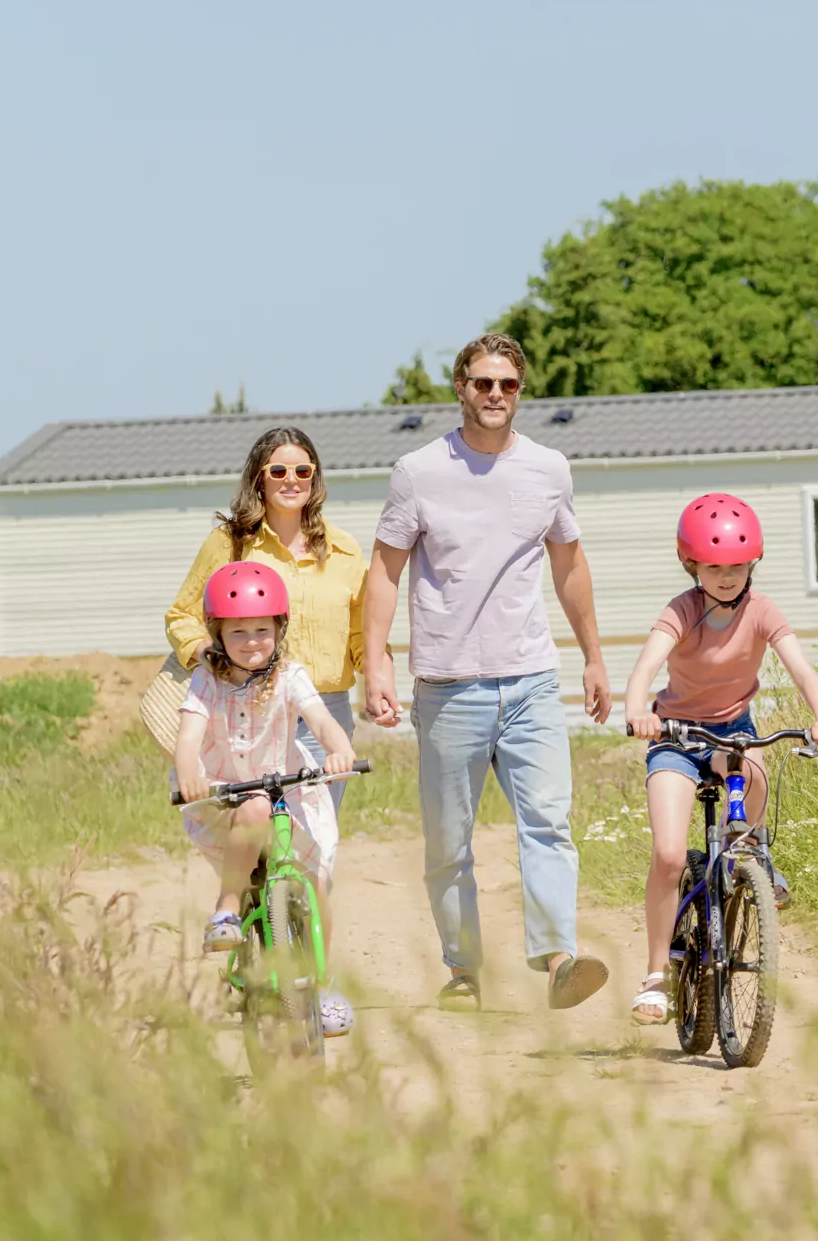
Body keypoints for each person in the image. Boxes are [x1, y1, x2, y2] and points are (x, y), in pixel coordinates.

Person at [361, 332, 613, 1010]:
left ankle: (559, 956)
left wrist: (591, 654)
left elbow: (569, 564)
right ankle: (463, 970)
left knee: (549, 823)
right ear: (461, 388)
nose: (495, 395)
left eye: (507, 384)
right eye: (482, 383)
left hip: (530, 678)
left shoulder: (549, 469)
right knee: (449, 844)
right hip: (448, 685)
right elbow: (384, 572)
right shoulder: (419, 471)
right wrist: (375, 662)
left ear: (520, 391)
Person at [621, 494, 818, 1027]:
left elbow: (803, 670)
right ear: (691, 564)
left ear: (752, 564)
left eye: (738, 566)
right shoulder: (682, 611)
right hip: (674, 736)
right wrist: (636, 711)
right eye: (715, 567)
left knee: (757, 768)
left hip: (731, 735)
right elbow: (645, 668)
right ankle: (655, 977)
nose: (726, 576)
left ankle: (750, 860)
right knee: (671, 855)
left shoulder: (763, 611)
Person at [173, 562, 357, 1004]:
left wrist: (338, 750)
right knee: (253, 807)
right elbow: (187, 739)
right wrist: (190, 777)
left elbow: (320, 720)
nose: (252, 642)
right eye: (237, 633)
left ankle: (323, 984)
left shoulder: (290, 676)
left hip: (289, 792)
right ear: (217, 635)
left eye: (261, 629)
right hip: (224, 796)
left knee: (314, 886)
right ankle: (228, 907)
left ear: (280, 628)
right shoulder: (206, 681)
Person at [164, 426, 368, 808]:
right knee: (257, 828)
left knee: (314, 836)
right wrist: (212, 657)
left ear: (315, 477)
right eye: (278, 471)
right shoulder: (230, 543)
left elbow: (361, 631)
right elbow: (181, 615)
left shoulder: (344, 549)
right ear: (259, 479)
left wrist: (377, 680)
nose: (291, 480)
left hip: (326, 709)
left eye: (302, 471)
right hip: (251, 709)